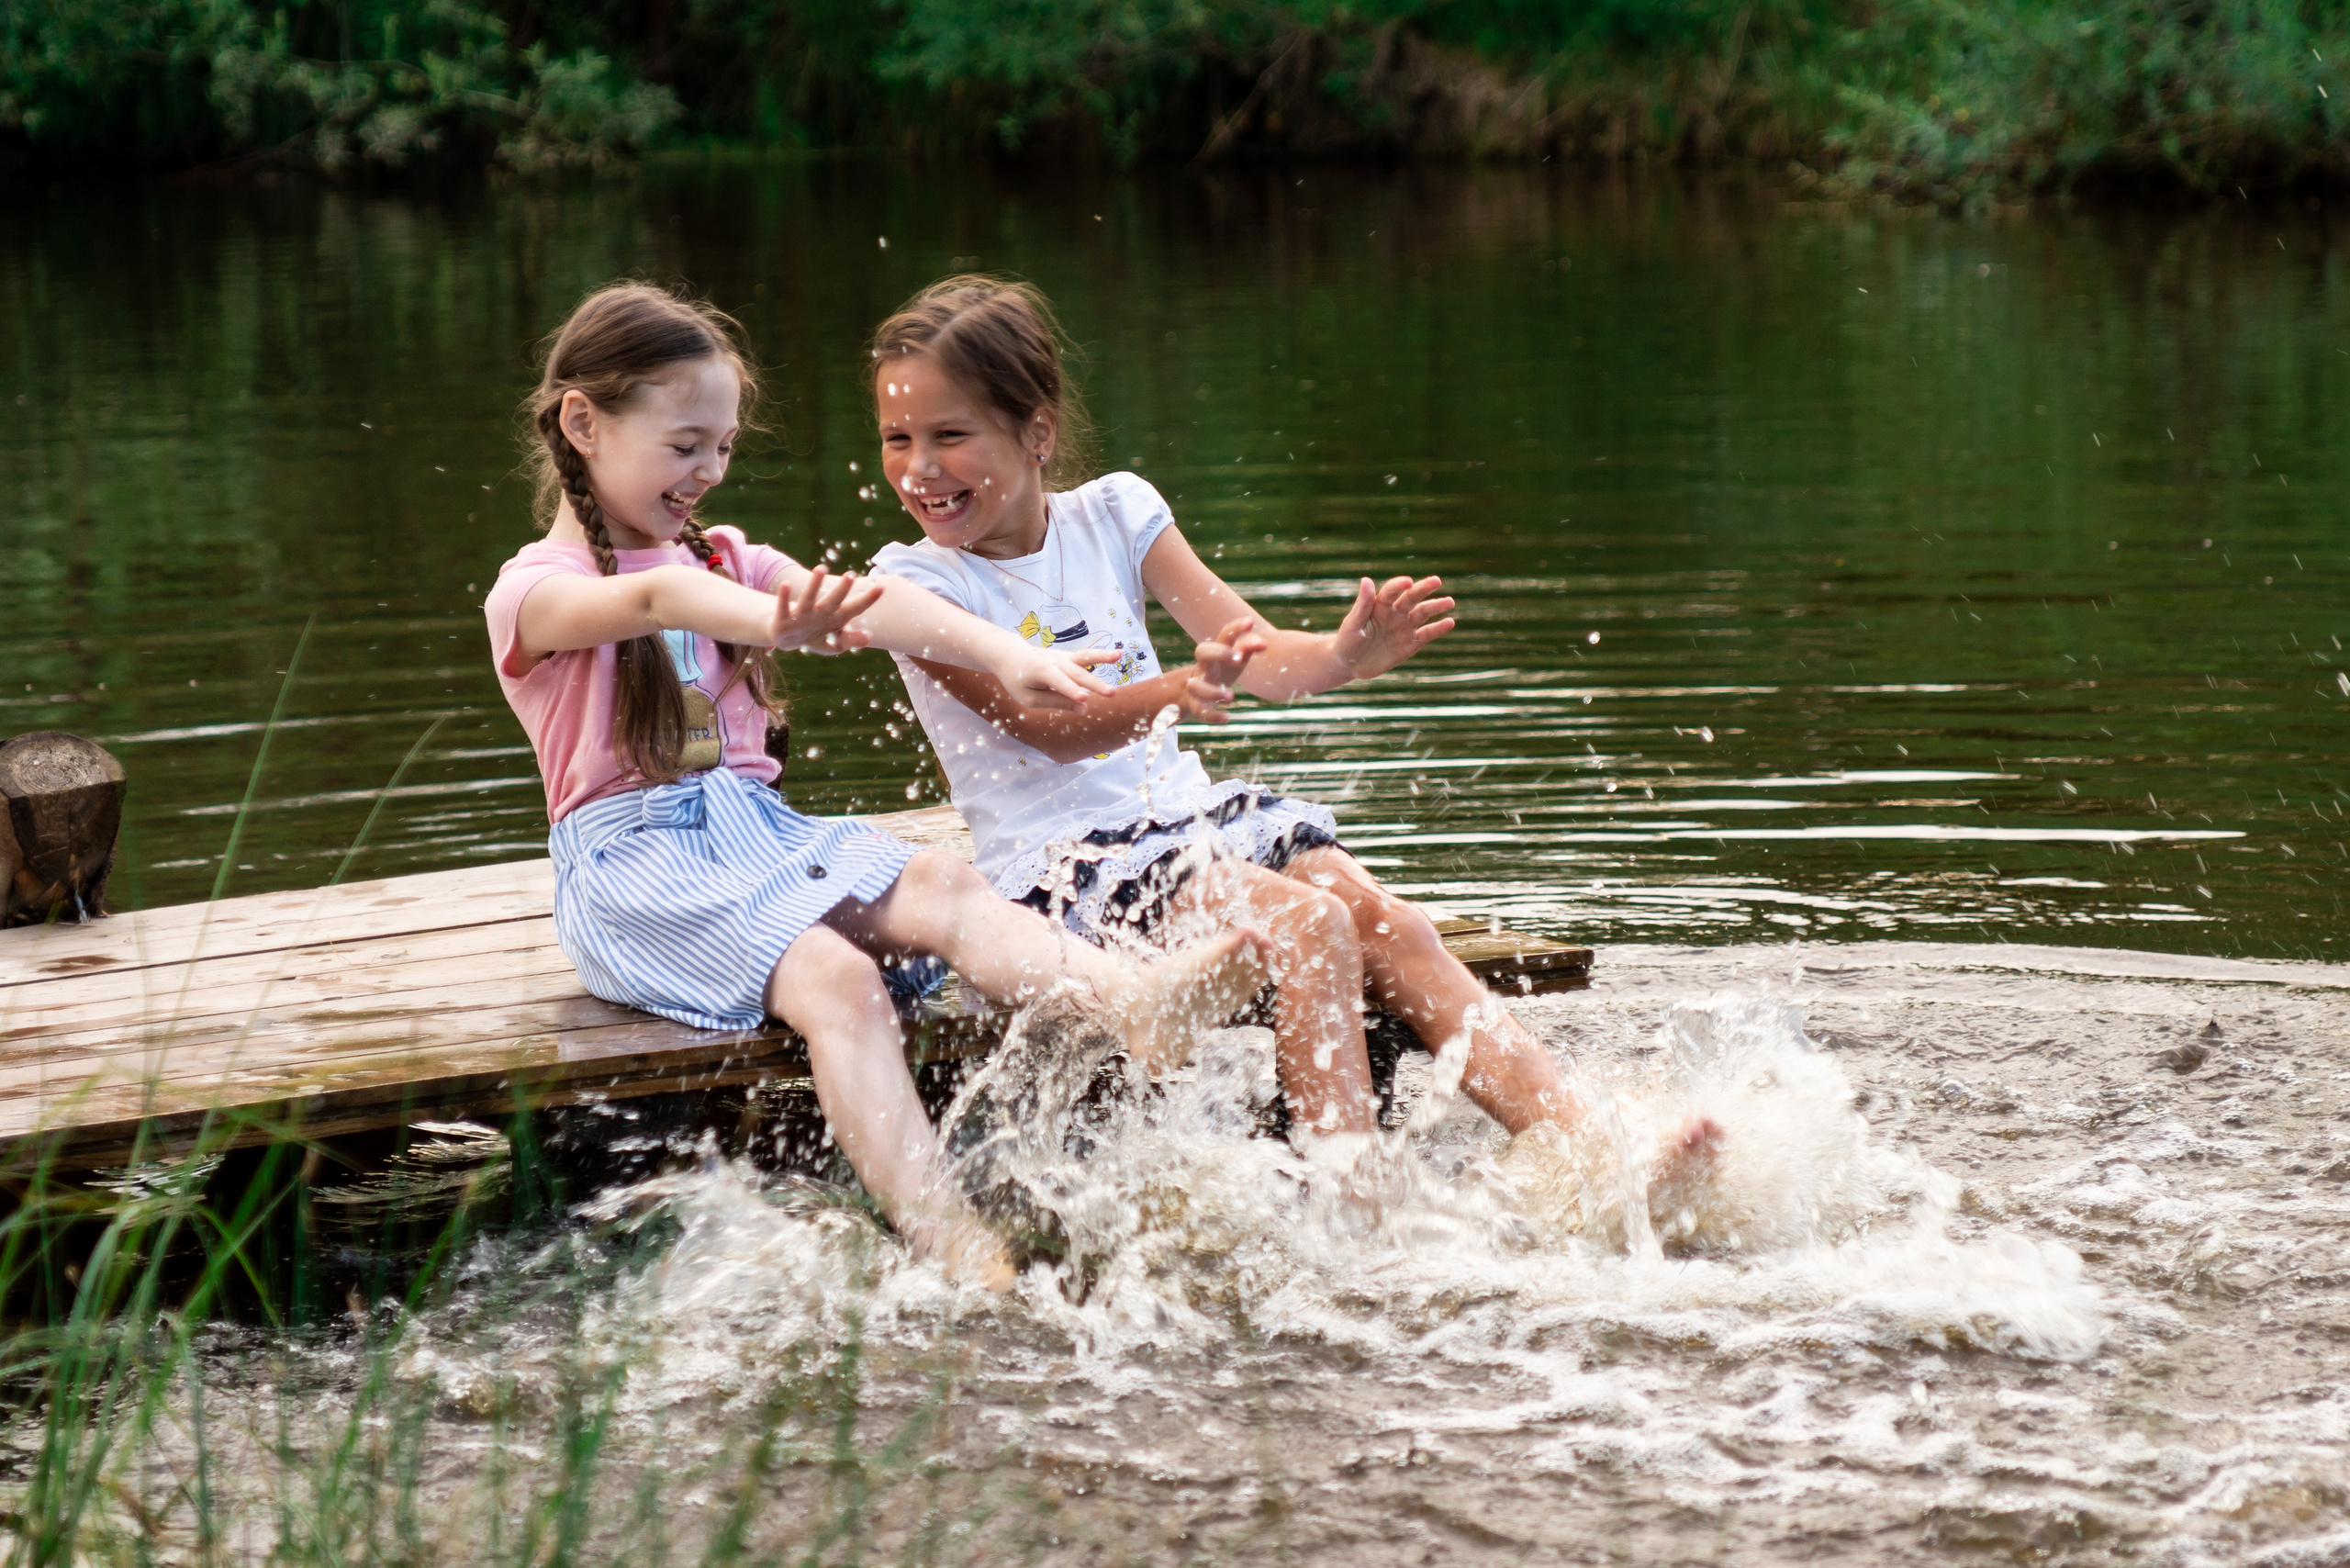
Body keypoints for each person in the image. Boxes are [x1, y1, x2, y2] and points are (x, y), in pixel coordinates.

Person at [863, 275, 1720, 1214]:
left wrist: (1344, 656)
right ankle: (1350, 1214)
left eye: (949, 436)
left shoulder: (1114, 512)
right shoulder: (910, 584)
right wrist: (1177, 692)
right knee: (1304, 925)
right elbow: (1046, 729)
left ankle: (1594, 1157)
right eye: (897, 440)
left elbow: (1256, 654)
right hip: (1066, 873)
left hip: (1188, 827)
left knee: (1386, 921)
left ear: (1037, 434)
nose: (919, 468)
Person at [483, 282, 1267, 1287]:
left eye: (722, 446)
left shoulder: (727, 556)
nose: (708, 471)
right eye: (686, 445)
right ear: (584, 424)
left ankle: (1138, 1005)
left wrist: (1007, 653)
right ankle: (951, 1242)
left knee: (940, 882)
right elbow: (649, 594)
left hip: (751, 830)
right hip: (635, 869)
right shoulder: (536, 590)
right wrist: (769, 622)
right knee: (837, 979)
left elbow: (881, 600)